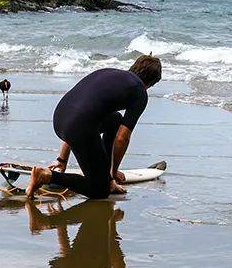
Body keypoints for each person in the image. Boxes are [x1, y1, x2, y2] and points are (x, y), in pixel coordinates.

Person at [26, 55, 162, 199]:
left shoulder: (108, 72)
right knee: (100, 190)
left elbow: (80, 108)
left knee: (115, 119)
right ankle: (46, 176)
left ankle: (106, 177)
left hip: (59, 118)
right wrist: (114, 173)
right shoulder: (139, 92)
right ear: (151, 83)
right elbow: (122, 138)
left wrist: (62, 160)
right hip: (78, 127)